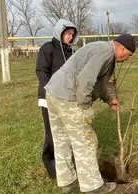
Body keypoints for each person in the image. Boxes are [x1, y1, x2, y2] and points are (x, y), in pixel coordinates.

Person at [44, 34, 135, 194]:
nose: (126, 59)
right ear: (122, 48)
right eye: (128, 54)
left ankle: (67, 181)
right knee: (86, 141)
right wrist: (84, 107)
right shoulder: (106, 53)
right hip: (69, 98)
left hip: (53, 93)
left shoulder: (102, 48)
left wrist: (108, 99)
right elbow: (86, 79)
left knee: (61, 140)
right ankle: (92, 186)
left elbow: (98, 81)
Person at [36, 19, 79, 179]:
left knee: (65, 131)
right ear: (60, 32)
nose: (70, 37)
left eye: (72, 34)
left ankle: (67, 164)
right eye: (68, 33)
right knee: (52, 132)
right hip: (49, 96)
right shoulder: (48, 48)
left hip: (65, 98)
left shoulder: (70, 52)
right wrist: (50, 91)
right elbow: (41, 70)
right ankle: (52, 166)